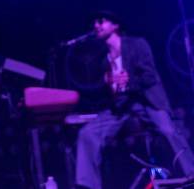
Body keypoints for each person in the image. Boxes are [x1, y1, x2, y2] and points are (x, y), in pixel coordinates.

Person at [75, 10, 194, 188]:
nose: (96, 25)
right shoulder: (103, 61)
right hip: (121, 106)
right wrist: (107, 83)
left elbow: (150, 76)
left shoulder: (137, 44)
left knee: (168, 130)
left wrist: (129, 82)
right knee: (87, 133)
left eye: (101, 21)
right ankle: (87, 185)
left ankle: (191, 172)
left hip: (146, 100)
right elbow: (107, 92)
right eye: (94, 22)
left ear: (115, 25)